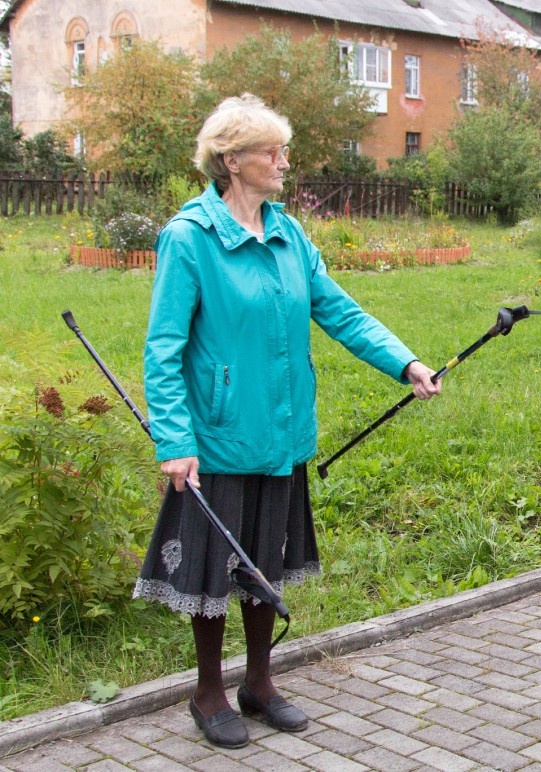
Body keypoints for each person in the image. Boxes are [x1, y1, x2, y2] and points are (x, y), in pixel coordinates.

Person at [136, 94, 441, 748]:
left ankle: (260, 683)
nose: (284, 161)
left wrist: (405, 362)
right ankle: (209, 690)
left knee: (264, 563)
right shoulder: (190, 239)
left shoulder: (287, 234)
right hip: (216, 439)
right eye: (272, 151)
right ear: (232, 160)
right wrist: (174, 440)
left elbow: (340, 312)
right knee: (218, 570)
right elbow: (162, 349)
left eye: (282, 150)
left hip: (280, 431)